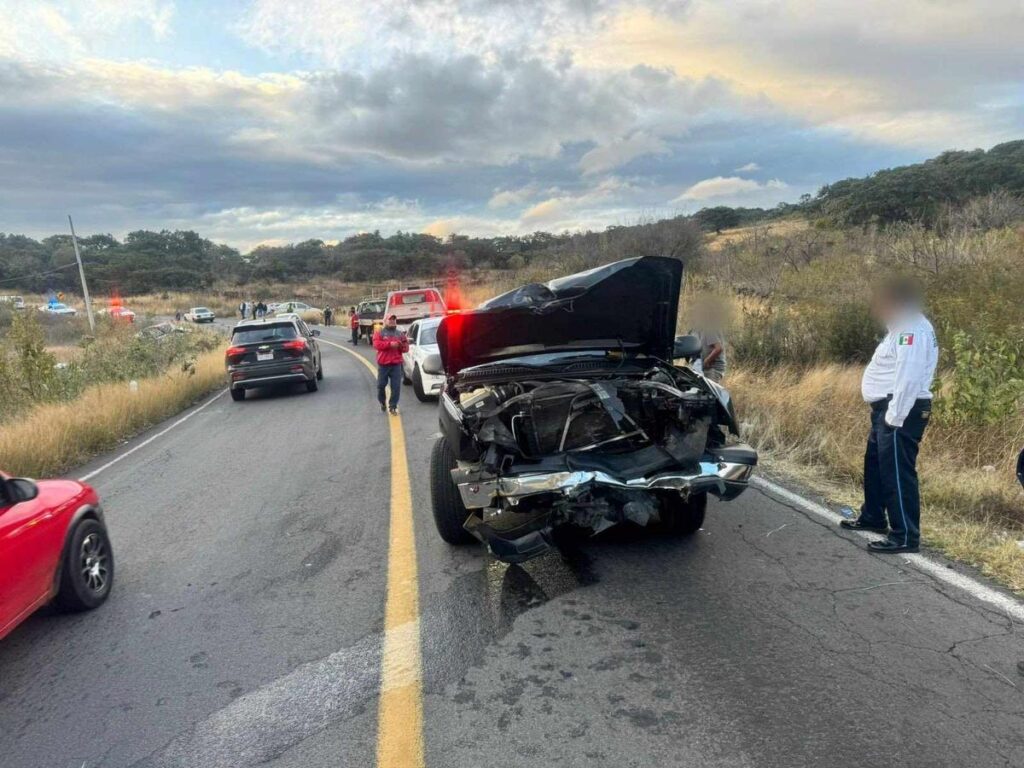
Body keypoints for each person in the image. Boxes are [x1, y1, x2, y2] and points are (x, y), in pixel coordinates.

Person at [840, 278, 938, 553]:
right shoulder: (900, 327)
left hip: (900, 410)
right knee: (876, 465)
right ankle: (873, 516)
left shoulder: (912, 329)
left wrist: (893, 418)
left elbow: (909, 376)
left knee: (897, 472)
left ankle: (905, 535)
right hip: (888, 409)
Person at [373, 314, 408, 414]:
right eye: (390, 319)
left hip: (396, 365)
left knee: (396, 387)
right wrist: (389, 344)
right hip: (383, 365)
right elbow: (376, 344)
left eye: (394, 319)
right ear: (385, 321)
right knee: (381, 385)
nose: (392, 321)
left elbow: (405, 348)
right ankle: (382, 402)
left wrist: (402, 345)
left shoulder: (400, 334)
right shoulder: (379, 332)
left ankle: (393, 406)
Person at [689, 296, 727, 382]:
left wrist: (706, 362)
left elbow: (718, 348)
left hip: (712, 368)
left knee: (709, 392)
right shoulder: (697, 328)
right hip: (701, 365)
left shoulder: (709, 328)